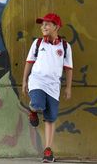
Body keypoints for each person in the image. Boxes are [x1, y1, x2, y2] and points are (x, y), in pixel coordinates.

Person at [21, 13, 73, 163]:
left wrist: (68, 88)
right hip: (37, 81)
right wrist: (24, 81)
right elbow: (29, 62)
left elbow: (69, 68)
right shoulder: (38, 43)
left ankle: (48, 151)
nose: (43, 27)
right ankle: (33, 110)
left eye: (47, 24)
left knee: (50, 118)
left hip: (54, 87)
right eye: (42, 24)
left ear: (56, 27)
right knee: (37, 104)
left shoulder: (64, 46)